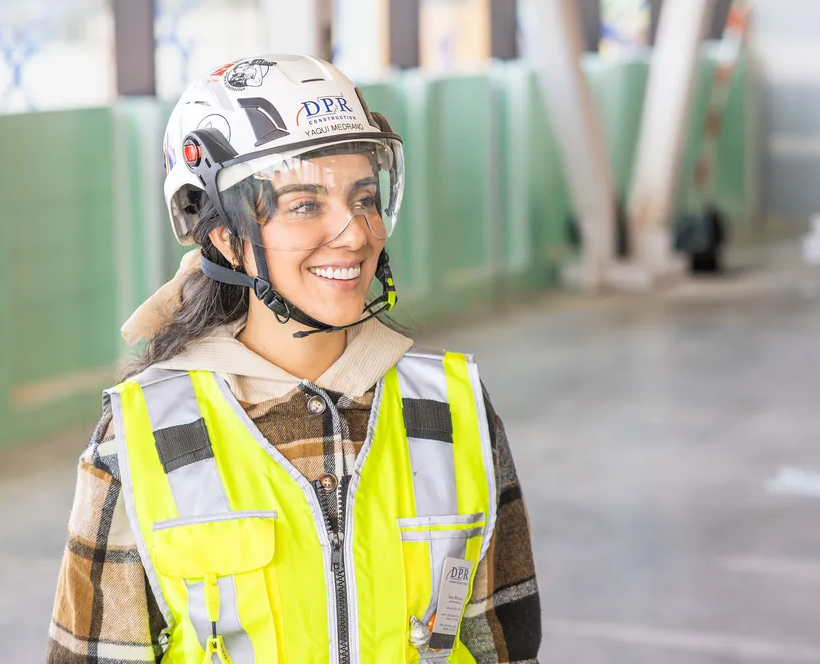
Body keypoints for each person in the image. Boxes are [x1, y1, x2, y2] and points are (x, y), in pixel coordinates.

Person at [47, 54, 541, 664]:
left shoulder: (453, 408)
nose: (356, 233)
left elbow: (505, 644)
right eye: (306, 205)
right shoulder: (142, 436)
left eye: (364, 198)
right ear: (226, 238)